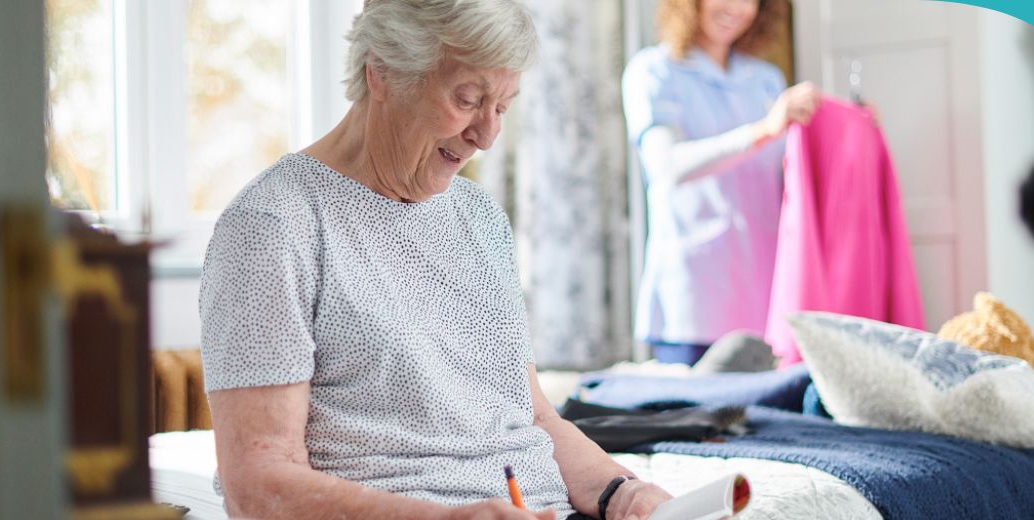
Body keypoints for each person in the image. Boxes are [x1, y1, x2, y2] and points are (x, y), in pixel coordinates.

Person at [199, 1, 672, 519]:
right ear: (380, 71)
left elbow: (532, 415)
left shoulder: (478, 215)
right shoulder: (273, 225)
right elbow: (258, 484)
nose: (487, 136)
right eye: (468, 99)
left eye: (503, 107)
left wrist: (621, 492)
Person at [622, 0, 822, 365]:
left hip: (765, 297)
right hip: (693, 301)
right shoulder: (654, 71)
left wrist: (852, 129)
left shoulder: (766, 80)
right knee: (692, 419)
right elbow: (666, 165)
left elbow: (793, 172)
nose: (737, 7)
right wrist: (762, 131)